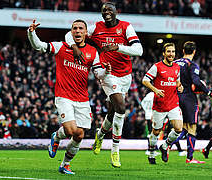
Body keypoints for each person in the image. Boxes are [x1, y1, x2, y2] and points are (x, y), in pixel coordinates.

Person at [65, 2, 143, 168]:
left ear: (116, 11)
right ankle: (115, 150)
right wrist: (73, 46)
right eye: (103, 11)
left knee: (113, 110)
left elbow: (139, 50)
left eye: (109, 10)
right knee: (121, 107)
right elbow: (68, 35)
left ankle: (99, 136)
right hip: (107, 74)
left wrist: (118, 47)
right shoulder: (96, 28)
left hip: (125, 75)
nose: (106, 12)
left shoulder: (125, 27)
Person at [28, 19, 110, 174]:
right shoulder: (62, 47)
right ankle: (57, 137)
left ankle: (65, 164)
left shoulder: (92, 52)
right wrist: (31, 33)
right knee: (71, 130)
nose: (78, 31)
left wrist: (106, 71)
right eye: (75, 29)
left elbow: (98, 73)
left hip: (82, 98)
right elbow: (39, 46)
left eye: (81, 29)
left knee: (79, 134)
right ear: (71, 32)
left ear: (86, 33)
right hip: (64, 95)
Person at [173, 41, 212, 164]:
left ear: (183, 50)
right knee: (192, 128)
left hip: (174, 98)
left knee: (182, 127)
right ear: (194, 51)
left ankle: (166, 145)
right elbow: (196, 82)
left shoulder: (175, 63)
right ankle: (190, 158)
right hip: (188, 98)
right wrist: (209, 92)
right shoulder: (192, 65)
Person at [142, 43, 183, 164]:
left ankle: (165, 146)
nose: (171, 54)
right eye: (169, 52)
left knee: (178, 129)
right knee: (156, 131)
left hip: (173, 104)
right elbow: (145, 80)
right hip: (160, 106)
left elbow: (177, 82)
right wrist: (155, 90)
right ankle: (151, 153)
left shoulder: (177, 67)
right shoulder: (157, 67)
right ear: (164, 53)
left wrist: (180, 87)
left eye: (173, 51)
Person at [141, 92, 186, 159]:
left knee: (154, 132)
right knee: (161, 132)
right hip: (159, 113)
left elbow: (143, 104)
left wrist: (147, 111)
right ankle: (152, 150)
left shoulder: (149, 95)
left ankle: (152, 150)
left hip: (153, 114)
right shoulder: (157, 94)